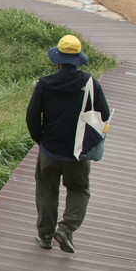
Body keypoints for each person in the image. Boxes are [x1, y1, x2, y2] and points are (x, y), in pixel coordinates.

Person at [25, 35, 110, 253]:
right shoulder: (90, 84)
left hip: (50, 150)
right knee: (79, 189)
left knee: (46, 191)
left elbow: (32, 116)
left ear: (58, 59)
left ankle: (45, 235)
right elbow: (104, 115)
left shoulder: (45, 84)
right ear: (78, 58)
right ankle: (66, 229)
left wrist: (41, 140)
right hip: (78, 152)